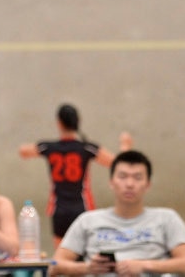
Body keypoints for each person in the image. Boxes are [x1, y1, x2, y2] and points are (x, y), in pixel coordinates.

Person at [51, 150, 185, 276]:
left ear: (148, 185)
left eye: (137, 177)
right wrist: (88, 268)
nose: (129, 184)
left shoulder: (166, 218)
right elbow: (54, 265)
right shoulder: (87, 220)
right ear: (111, 182)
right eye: (122, 176)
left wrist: (143, 265)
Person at [18, 103, 132, 246]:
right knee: (84, 253)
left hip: (58, 209)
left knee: (61, 254)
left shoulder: (49, 147)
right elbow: (117, 163)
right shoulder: (87, 148)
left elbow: (23, 151)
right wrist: (125, 146)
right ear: (78, 121)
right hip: (82, 208)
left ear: (58, 123)